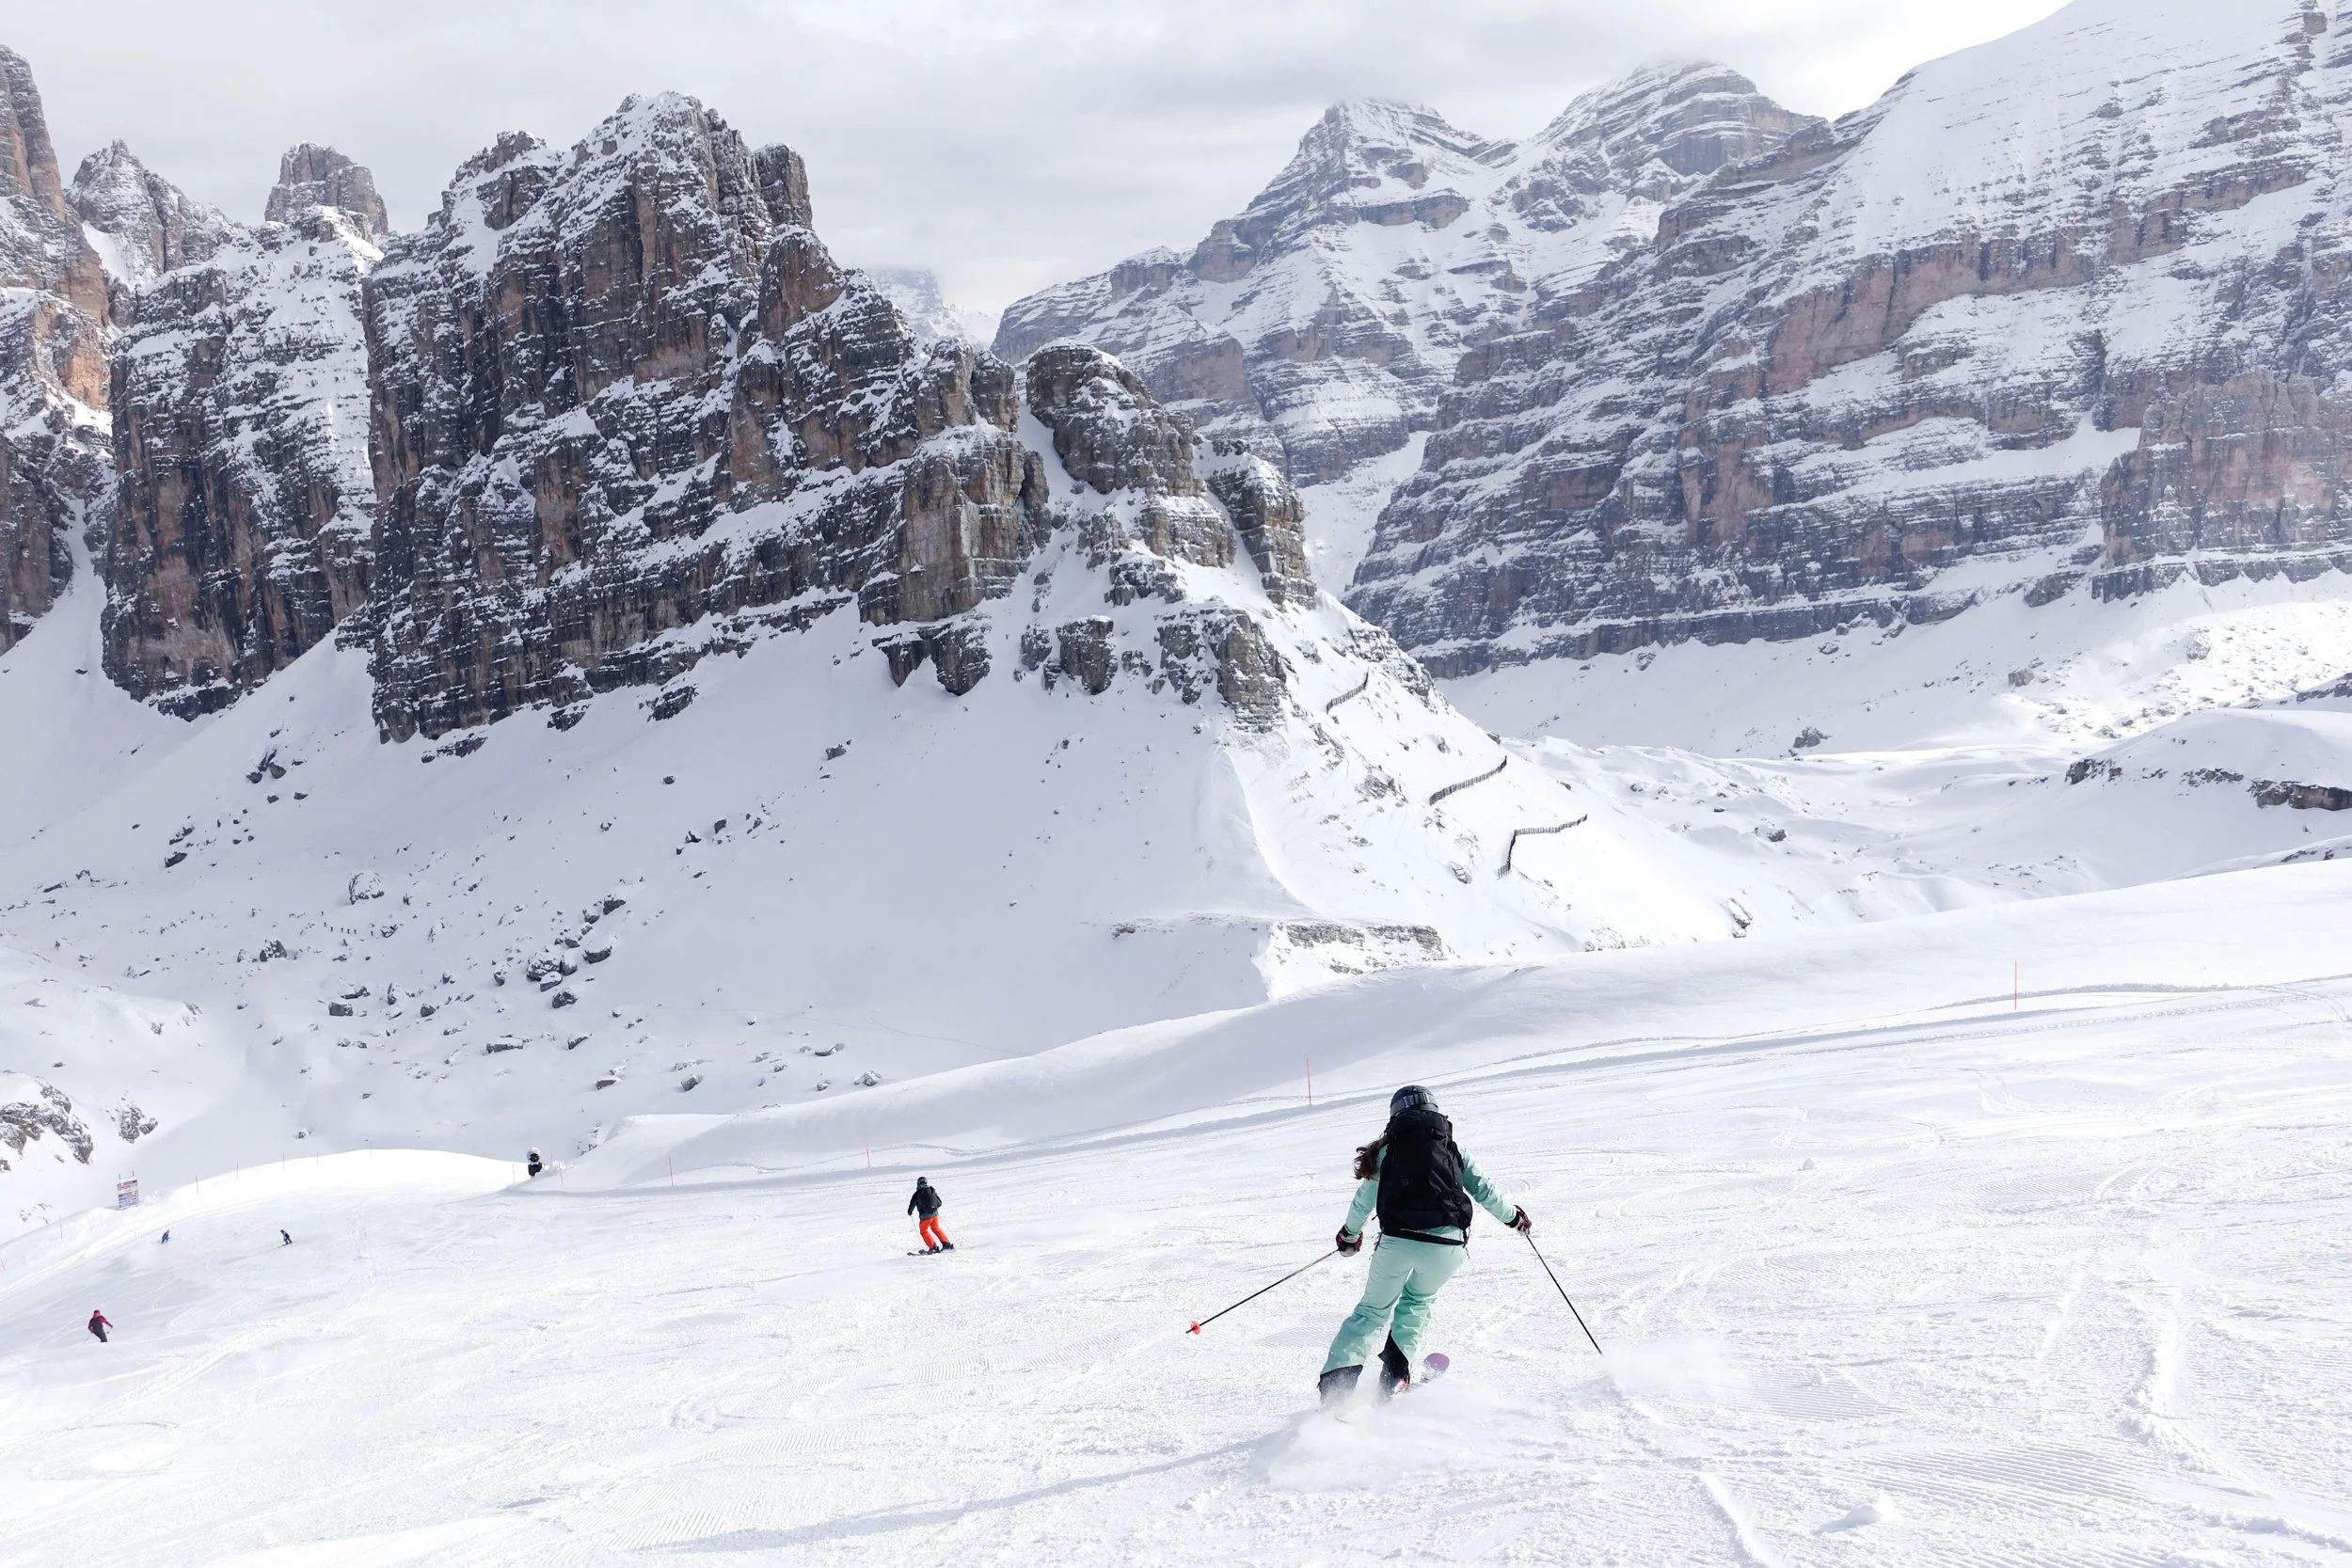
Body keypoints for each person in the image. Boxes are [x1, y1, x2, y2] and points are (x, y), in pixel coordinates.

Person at [1319, 1085, 1529, 1405]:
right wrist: (1514, 1219)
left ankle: (1336, 1390)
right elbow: (1484, 1190)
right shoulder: (1451, 1146)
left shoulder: (1388, 1151)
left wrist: (1349, 1236)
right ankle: (1395, 1378)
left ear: (1395, 1115)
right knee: (1417, 1303)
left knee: (1371, 1312)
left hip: (1398, 1242)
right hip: (1447, 1244)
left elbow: (1363, 1203)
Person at [907, 1177, 954, 1253]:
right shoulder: (932, 1190)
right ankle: (946, 1244)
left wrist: (910, 1211)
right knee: (936, 1229)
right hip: (935, 1214)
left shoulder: (917, 1193)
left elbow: (912, 1203)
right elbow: (939, 1203)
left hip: (926, 1216)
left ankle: (933, 1248)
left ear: (918, 1183)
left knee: (923, 1231)